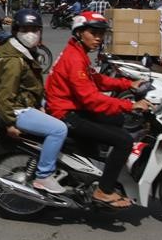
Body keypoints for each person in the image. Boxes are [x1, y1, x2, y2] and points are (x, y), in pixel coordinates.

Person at [45, 11, 152, 209]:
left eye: (101, 34)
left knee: (119, 120)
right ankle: (103, 190)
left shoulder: (78, 53)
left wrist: (128, 84)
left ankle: (96, 167)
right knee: (124, 140)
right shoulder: (75, 59)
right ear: (79, 33)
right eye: (93, 33)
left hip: (73, 107)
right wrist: (130, 105)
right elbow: (91, 99)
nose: (98, 38)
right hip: (67, 114)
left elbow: (97, 80)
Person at [0, 9, 68, 193]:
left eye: (35, 29)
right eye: (25, 29)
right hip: (17, 111)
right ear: (16, 31)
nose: (31, 34)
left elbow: (29, 87)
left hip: (26, 105)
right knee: (59, 130)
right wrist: (9, 123)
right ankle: (44, 175)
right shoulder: (14, 60)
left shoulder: (25, 53)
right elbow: (6, 95)